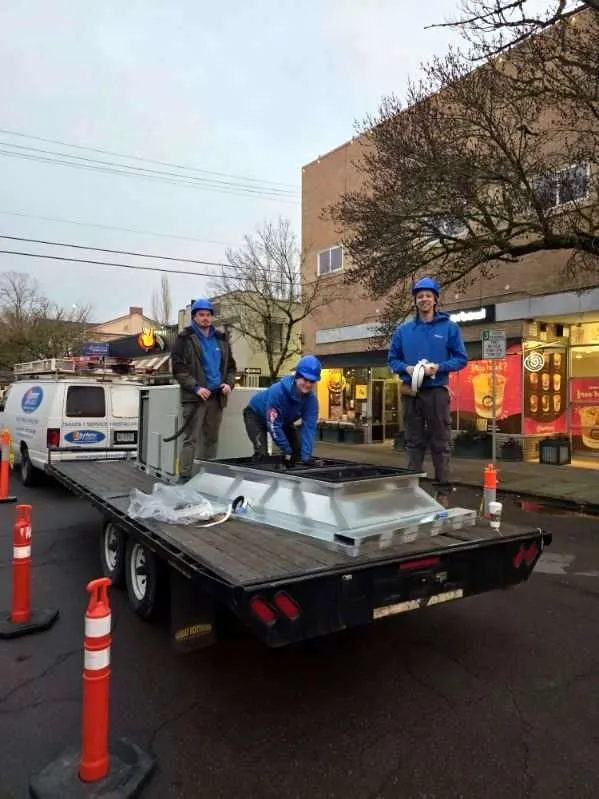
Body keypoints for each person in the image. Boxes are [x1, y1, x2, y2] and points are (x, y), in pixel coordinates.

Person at [388, 277, 467, 506]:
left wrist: (439, 367)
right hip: (412, 393)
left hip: (436, 392)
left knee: (440, 442)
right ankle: (410, 488)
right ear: (415, 300)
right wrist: (407, 368)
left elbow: (461, 359)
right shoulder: (404, 331)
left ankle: (443, 492)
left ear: (435, 300)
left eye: (428, 296)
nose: (424, 299)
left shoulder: (449, 328)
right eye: (419, 296)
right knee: (413, 442)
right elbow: (392, 359)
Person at [172, 297, 237, 479]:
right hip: (195, 398)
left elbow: (231, 367)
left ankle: (207, 477)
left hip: (216, 398)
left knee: (211, 439)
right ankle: (184, 478)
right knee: (191, 440)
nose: (205, 318)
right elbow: (178, 368)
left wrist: (229, 383)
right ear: (194, 317)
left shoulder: (221, 339)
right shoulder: (184, 338)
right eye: (201, 314)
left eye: (208, 314)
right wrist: (195, 388)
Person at [243, 355, 321, 468]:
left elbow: (309, 429)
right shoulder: (278, 392)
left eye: (312, 381)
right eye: (305, 379)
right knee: (262, 454)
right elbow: (274, 425)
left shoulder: (311, 401)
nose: (308, 384)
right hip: (255, 415)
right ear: (297, 377)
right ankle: (257, 481)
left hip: (283, 420)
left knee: (297, 450)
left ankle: (291, 479)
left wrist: (306, 457)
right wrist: (286, 449)